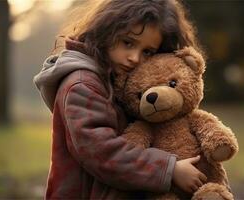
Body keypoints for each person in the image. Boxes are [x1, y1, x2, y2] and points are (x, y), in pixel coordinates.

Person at [34, 0, 206, 199]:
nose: (134, 57)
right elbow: (102, 153)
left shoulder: (120, 81)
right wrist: (169, 169)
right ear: (107, 29)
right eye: (128, 42)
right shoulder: (82, 85)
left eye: (147, 52)